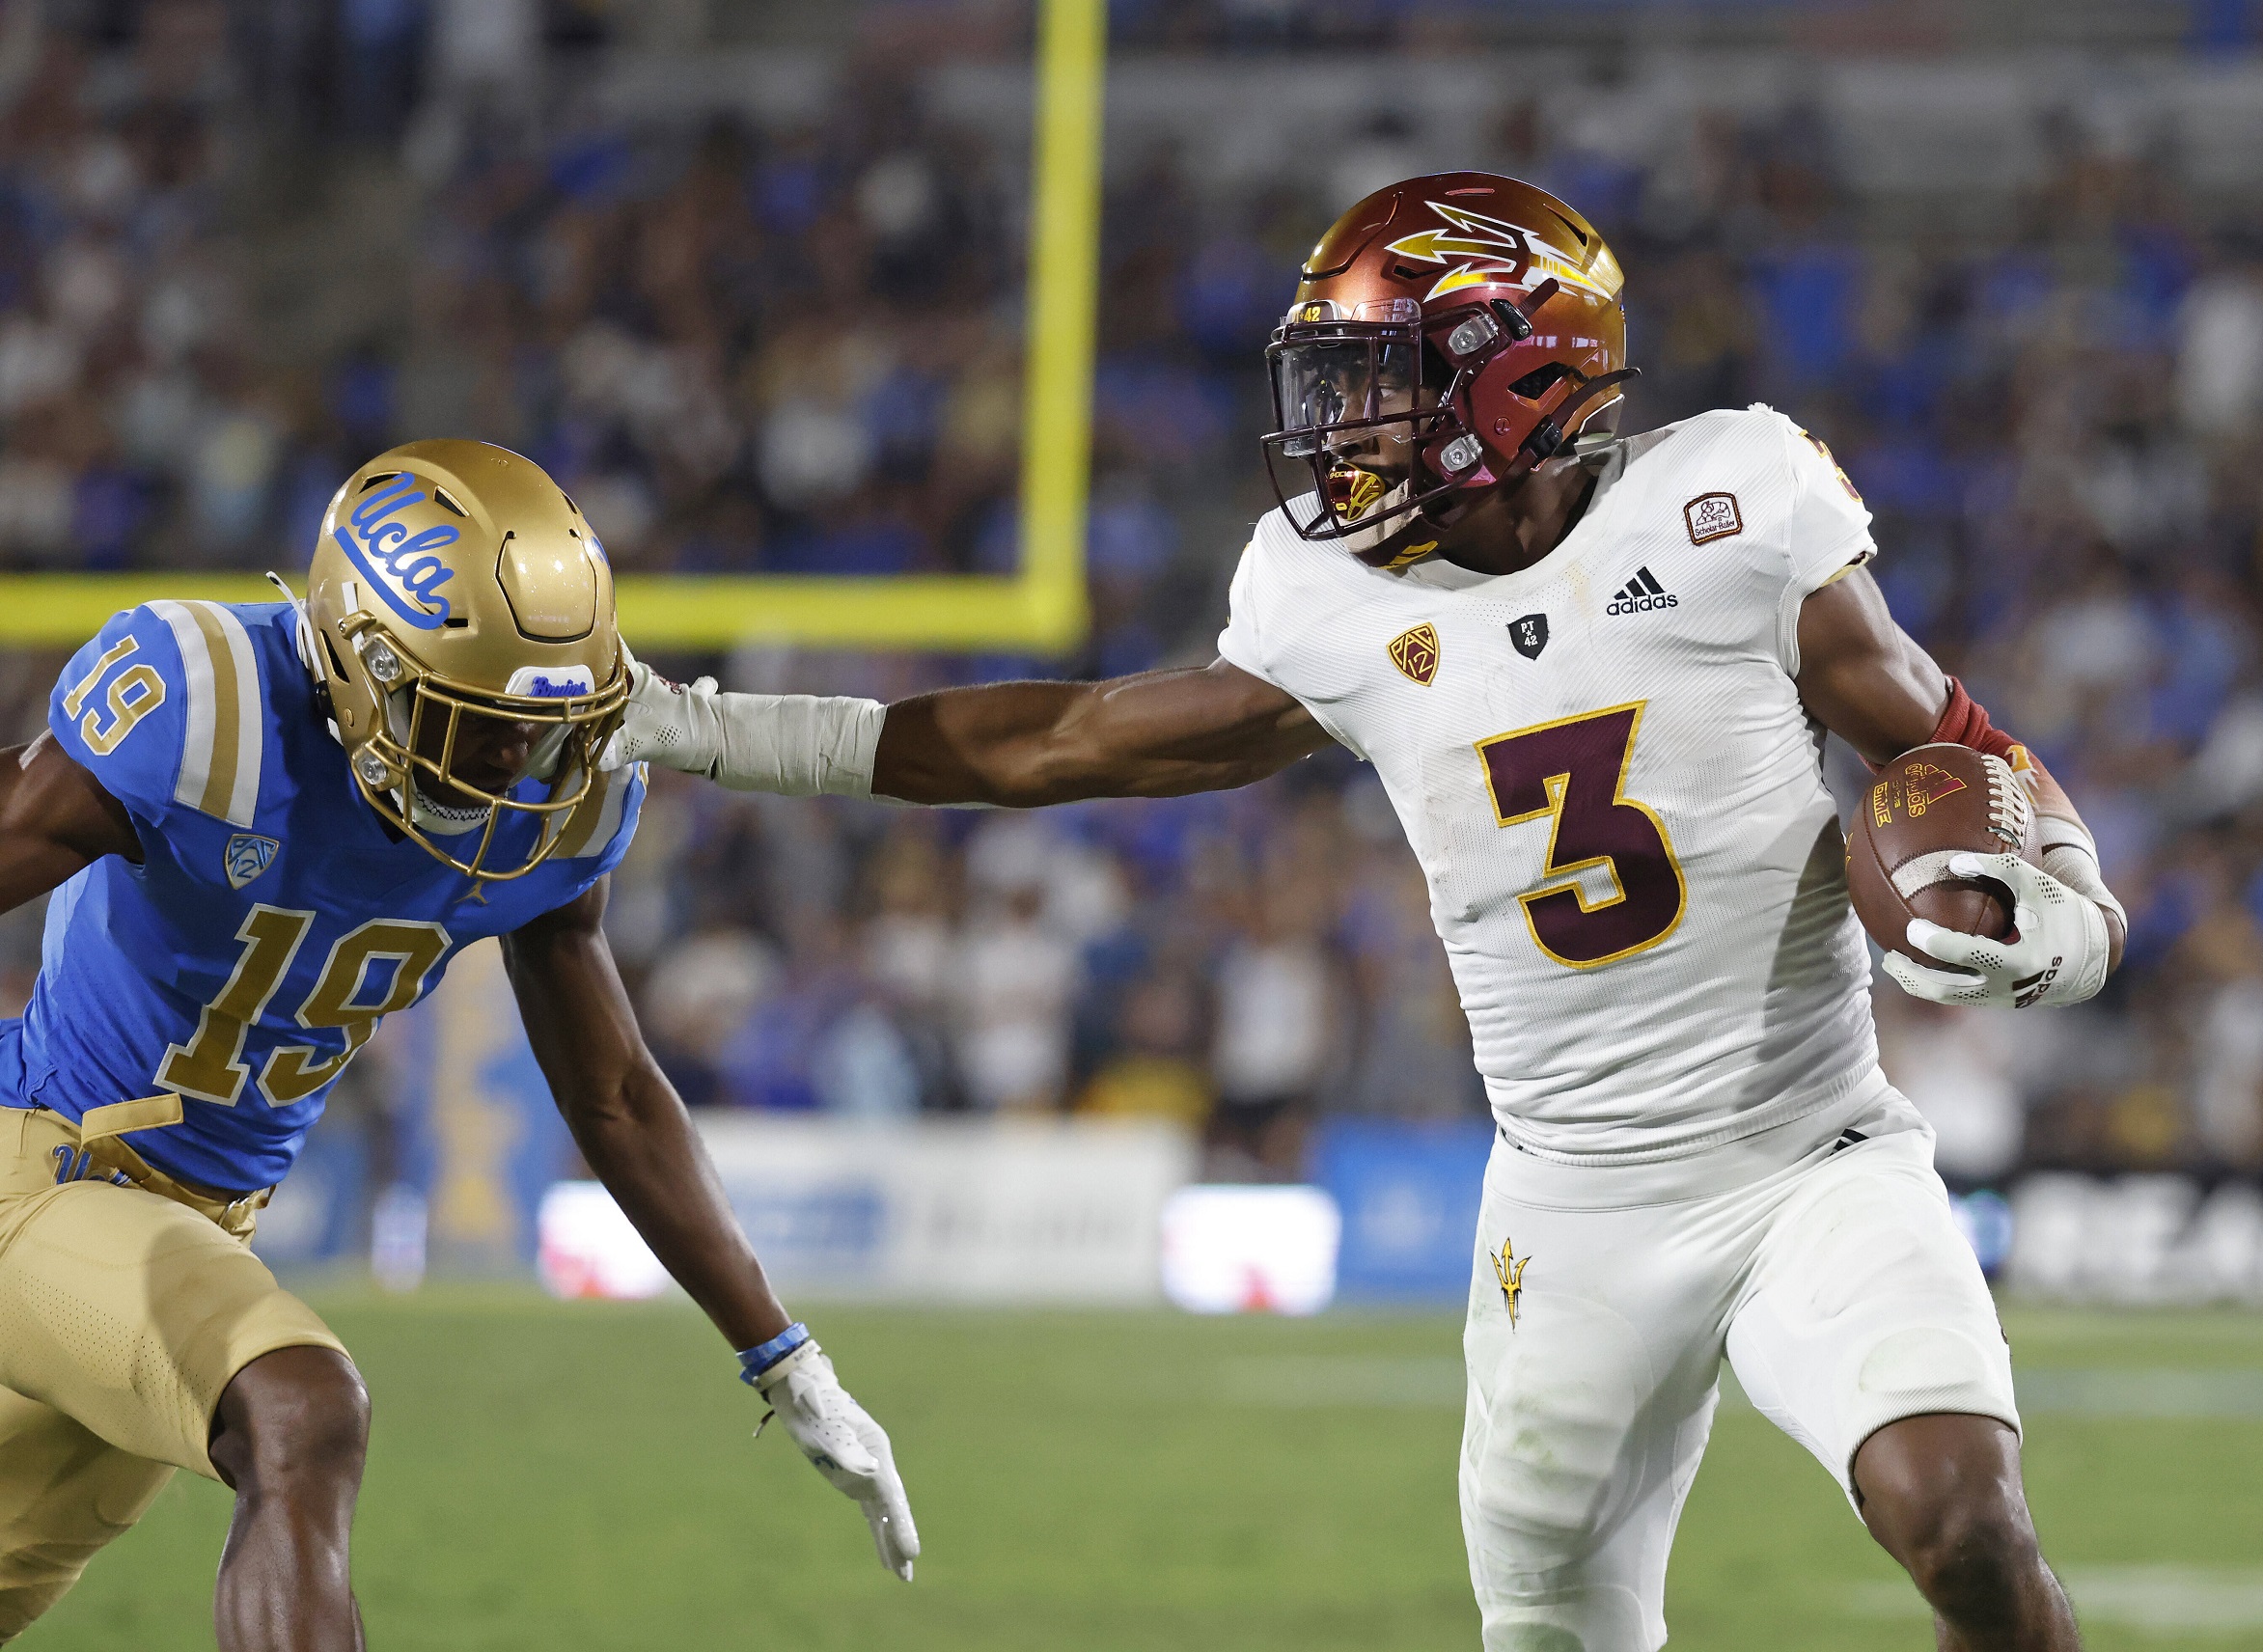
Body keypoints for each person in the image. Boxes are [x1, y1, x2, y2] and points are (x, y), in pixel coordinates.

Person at [609, 175, 2128, 1651]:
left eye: (1381, 379)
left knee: (1964, 1522)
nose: (1342, 426)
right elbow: (1060, 743)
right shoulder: (1331, 599)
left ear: (1520, 373)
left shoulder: (1729, 505)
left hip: (1814, 1154)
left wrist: (2075, 919)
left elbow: (1961, 743)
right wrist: (713, 731)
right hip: (1572, 1203)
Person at [0, 441, 916, 1649]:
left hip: (201, 1227)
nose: (510, 766)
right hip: (43, 1170)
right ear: (356, 656)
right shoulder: (206, 700)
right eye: (468, 721)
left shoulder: (561, 796)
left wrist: (784, 1356)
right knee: (302, 1407)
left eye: (534, 730)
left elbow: (618, 1093)